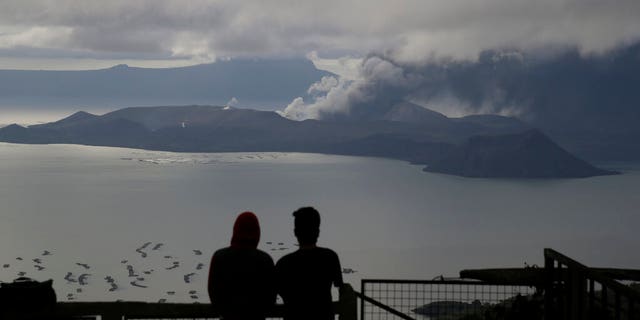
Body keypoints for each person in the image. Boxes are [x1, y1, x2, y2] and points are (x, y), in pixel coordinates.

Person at [276, 207, 343, 320]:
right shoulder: (330, 257)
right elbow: (341, 287)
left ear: (295, 232)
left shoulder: (283, 263)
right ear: (318, 232)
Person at [208, 211, 276, 320]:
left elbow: (214, 294)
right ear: (257, 233)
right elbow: (270, 299)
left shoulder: (219, 257)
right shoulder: (265, 260)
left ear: (235, 230)